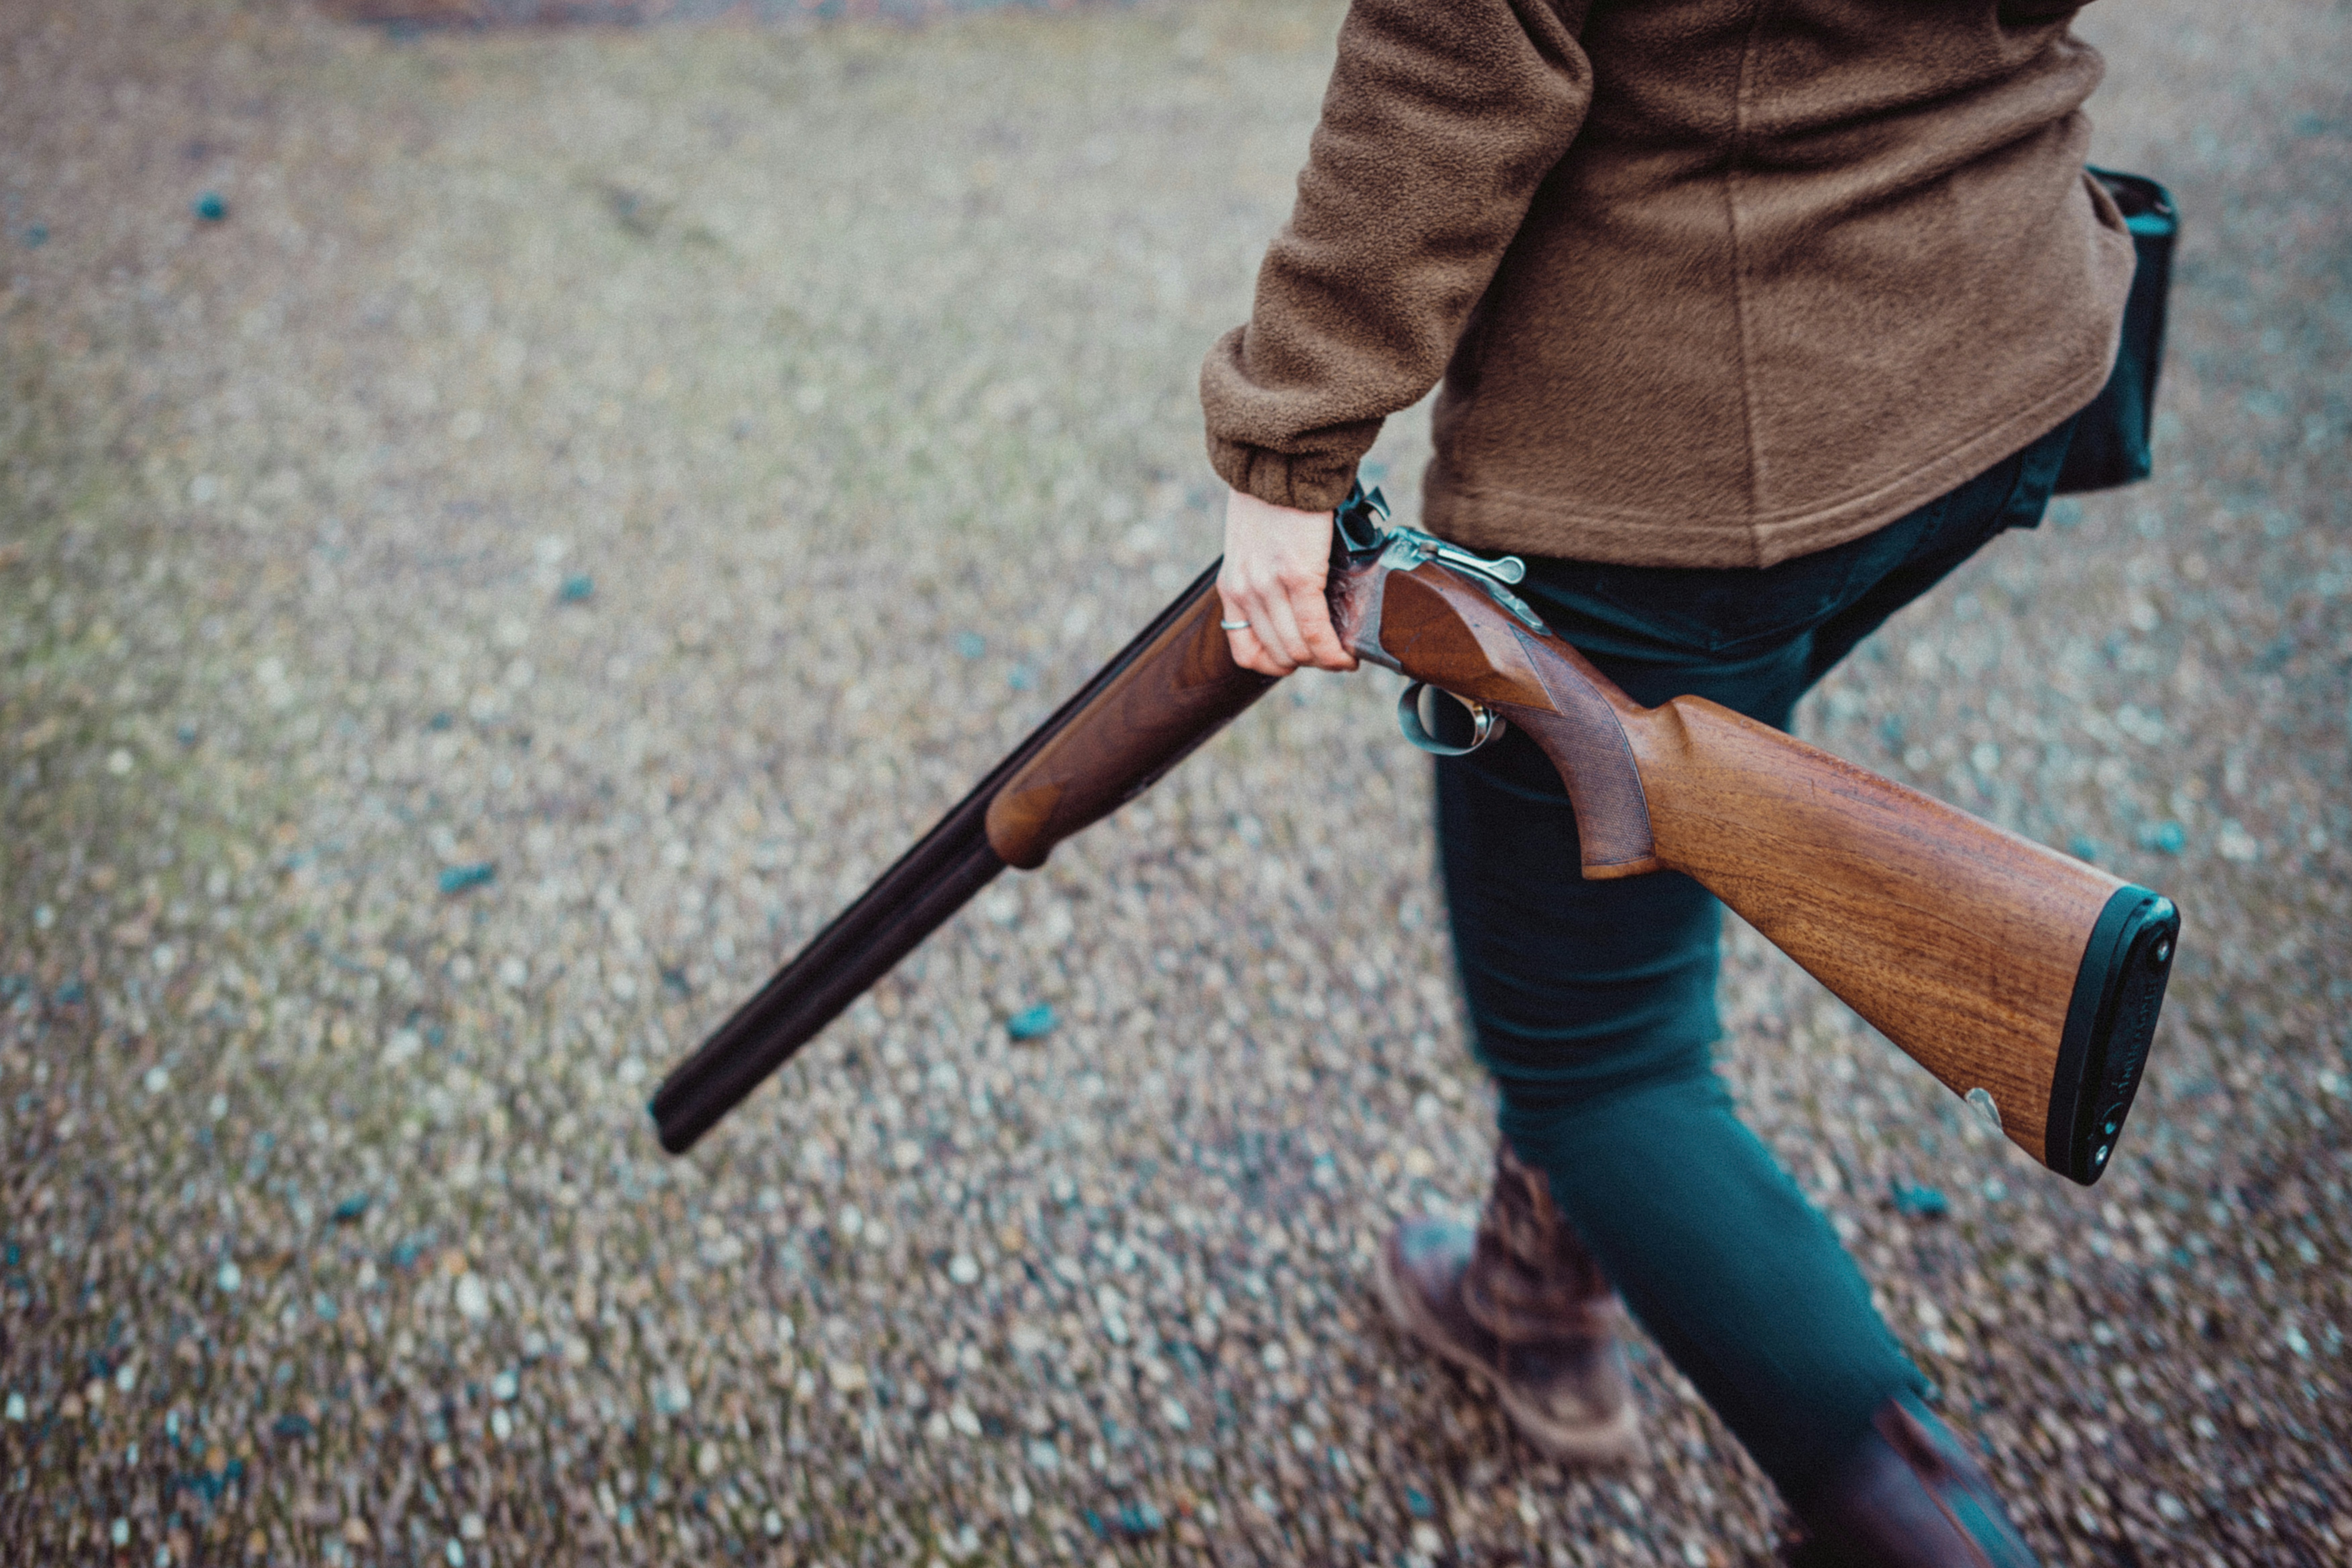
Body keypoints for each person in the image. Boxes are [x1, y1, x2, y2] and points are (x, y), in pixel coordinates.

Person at [1199, 2, 2135, 1563]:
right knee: (1632, 838)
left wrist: (1289, 443)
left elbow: (1464, 44)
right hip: (1997, 336)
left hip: (1677, 462)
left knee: (1599, 1059)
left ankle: (1922, 1523)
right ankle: (1538, 1290)